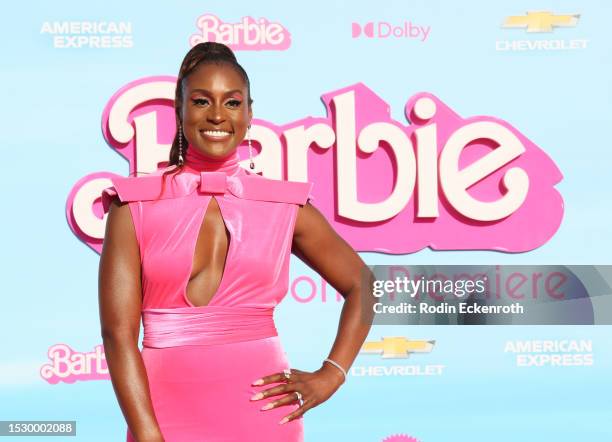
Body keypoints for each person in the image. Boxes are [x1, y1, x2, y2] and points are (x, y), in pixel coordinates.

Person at [98, 41, 374, 441]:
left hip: (264, 412)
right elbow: (117, 334)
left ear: (249, 114)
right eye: (200, 101)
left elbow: (363, 285)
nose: (216, 115)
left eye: (231, 103)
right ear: (179, 110)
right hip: (162, 411)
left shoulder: (285, 205)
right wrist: (145, 430)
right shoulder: (132, 206)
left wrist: (332, 374)